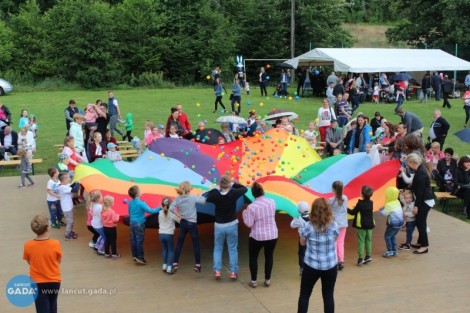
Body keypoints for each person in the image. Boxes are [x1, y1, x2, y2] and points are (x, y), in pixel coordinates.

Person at [297, 198, 339, 313]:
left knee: (304, 295)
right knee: (328, 296)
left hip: (311, 265)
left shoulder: (308, 226)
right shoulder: (334, 225)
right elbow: (335, 239)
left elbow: (302, 243)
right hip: (330, 265)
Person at [205, 175, 247, 279]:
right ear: (229, 184)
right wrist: (234, 185)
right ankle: (233, 272)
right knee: (232, 249)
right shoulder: (233, 193)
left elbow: (208, 197)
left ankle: (217, 271)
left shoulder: (215, 195)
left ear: (220, 185)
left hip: (219, 226)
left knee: (218, 248)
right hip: (231, 225)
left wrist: (215, 188)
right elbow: (244, 189)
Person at [23, 215, 62, 313]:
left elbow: (29, 261)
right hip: (54, 280)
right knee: (53, 307)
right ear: (47, 228)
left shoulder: (28, 245)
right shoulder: (55, 243)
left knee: (42, 309)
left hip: (37, 282)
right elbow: (58, 260)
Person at [242, 182, 278, 288]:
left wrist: (244, 214)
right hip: (272, 234)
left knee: (253, 257)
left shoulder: (251, 207)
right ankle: (267, 279)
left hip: (257, 236)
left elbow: (249, 224)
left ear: (253, 195)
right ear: (263, 191)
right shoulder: (272, 202)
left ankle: (254, 281)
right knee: (269, 256)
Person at [170, 181, 206, 273]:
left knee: (179, 244)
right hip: (192, 223)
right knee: (196, 244)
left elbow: (170, 208)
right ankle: (197, 265)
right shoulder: (193, 197)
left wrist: (178, 214)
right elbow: (204, 201)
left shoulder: (178, 198)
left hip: (183, 223)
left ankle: (174, 263)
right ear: (189, 188)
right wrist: (200, 195)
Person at [407, 153, 434, 254]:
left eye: (408, 163)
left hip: (425, 201)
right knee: (420, 222)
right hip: (424, 199)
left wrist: (416, 207)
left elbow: (420, 193)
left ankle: (424, 246)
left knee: (420, 223)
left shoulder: (421, 173)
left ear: (412, 162)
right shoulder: (420, 170)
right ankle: (420, 242)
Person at [128, 185, 160, 264]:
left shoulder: (130, 202)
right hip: (139, 224)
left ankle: (134, 255)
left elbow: (129, 212)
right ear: (138, 194)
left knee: (133, 240)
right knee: (139, 241)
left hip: (132, 223)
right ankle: (140, 257)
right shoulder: (141, 203)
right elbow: (151, 211)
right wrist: (159, 208)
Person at [347, 185, 374, 265]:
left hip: (362, 225)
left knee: (361, 241)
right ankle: (368, 256)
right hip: (370, 224)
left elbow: (353, 212)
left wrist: (347, 208)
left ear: (362, 194)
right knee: (368, 240)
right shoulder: (371, 203)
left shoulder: (360, 204)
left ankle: (360, 258)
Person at [379, 186, 405, 257]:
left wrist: (381, 209)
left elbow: (384, 213)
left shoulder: (388, 204)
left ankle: (390, 251)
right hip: (400, 223)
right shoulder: (397, 201)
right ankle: (394, 250)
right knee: (392, 236)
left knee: (387, 236)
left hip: (393, 224)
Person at [328, 181, 348, 270]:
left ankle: (335, 260)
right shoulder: (345, 198)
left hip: (334, 224)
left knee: (334, 242)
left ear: (333, 189)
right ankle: (341, 260)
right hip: (343, 223)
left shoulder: (331, 200)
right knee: (340, 242)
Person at [158, 197, 179, 274]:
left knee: (164, 250)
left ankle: (164, 265)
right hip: (169, 234)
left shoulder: (160, 213)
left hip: (161, 234)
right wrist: (176, 213)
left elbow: (159, 222)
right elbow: (180, 221)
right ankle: (169, 267)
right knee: (171, 250)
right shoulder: (172, 214)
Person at [290, 202, 310, 276]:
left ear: (299, 210)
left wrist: (294, 218)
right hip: (311, 238)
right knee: (310, 252)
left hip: (302, 238)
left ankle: (302, 268)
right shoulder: (312, 217)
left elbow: (292, 225)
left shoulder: (298, 219)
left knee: (301, 253)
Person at [58, 172, 78, 241]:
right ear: (64, 180)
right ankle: (67, 236)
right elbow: (75, 190)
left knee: (71, 221)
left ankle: (70, 232)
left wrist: (75, 181)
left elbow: (71, 185)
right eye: (69, 177)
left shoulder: (65, 185)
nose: (70, 178)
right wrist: (78, 183)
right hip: (67, 208)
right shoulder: (63, 187)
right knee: (70, 222)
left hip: (68, 207)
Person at [101, 195, 120, 260]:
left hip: (105, 228)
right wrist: (118, 216)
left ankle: (107, 253)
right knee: (113, 241)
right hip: (112, 228)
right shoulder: (111, 212)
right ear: (111, 203)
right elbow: (115, 220)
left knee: (107, 240)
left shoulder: (103, 210)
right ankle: (114, 255)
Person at [89, 190, 106, 255]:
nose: (102, 197)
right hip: (99, 225)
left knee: (101, 235)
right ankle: (100, 249)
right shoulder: (100, 207)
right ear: (99, 199)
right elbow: (103, 214)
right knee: (105, 237)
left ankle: (96, 245)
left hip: (94, 223)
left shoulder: (93, 205)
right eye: (101, 196)